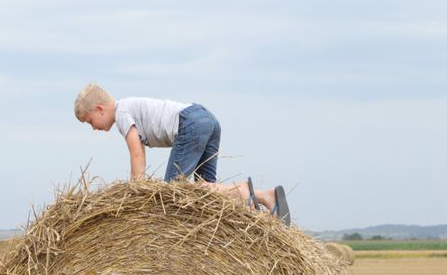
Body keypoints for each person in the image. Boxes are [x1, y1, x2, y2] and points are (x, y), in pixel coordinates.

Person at [74, 83, 290, 225]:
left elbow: (137, 153)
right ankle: (265, 197)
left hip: (191, 123)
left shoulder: (121, 113)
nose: (93, 128)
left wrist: (135, 194)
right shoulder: (129, 106)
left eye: (90, 121)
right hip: (207, 119)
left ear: (100, 109)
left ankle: (245, 192)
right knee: (204, 192)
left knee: (171, 192)